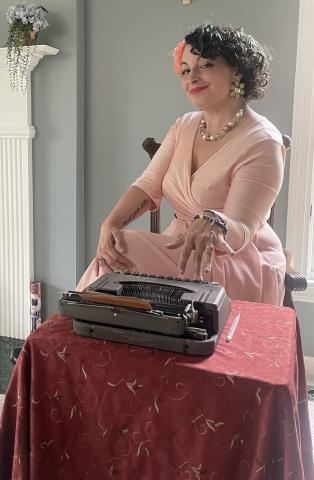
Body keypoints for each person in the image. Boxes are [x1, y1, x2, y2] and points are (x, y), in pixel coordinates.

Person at [77, 24, 286, 306]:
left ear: (237, 70)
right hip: (178, 248)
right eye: (185, 70)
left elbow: (242, 230)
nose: (192, 77)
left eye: (205, 65)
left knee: (123, 251)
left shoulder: (263, 141)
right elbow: (148, 186)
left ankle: (70, 332)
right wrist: (110, 224)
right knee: (115, 246)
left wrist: (215, 221)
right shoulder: (184, 126)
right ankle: (83, 332)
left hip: (234, 260)